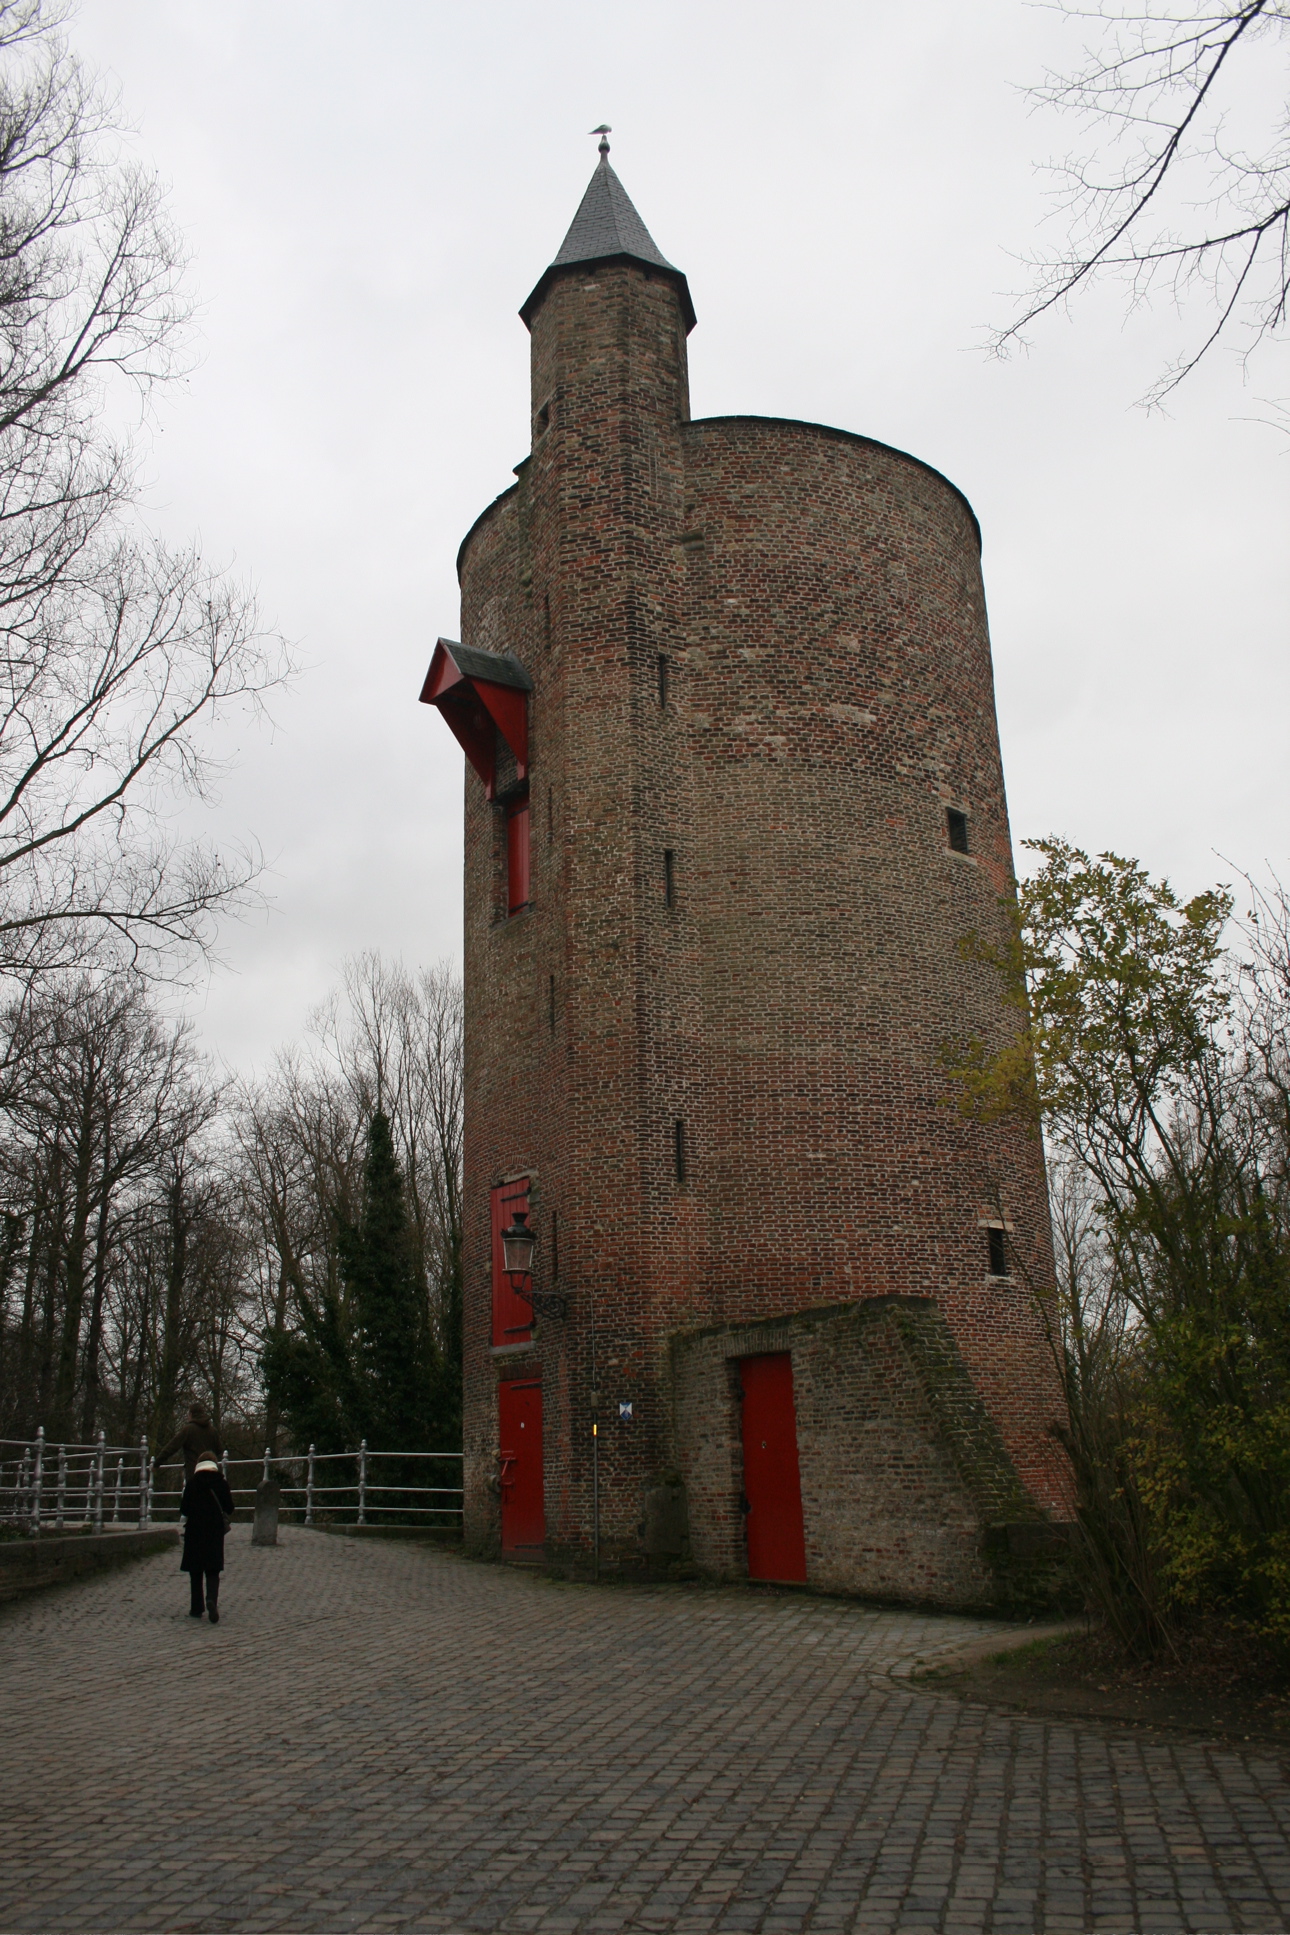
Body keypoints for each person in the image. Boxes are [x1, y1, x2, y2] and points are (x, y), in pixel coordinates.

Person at [180, 1454, 235, 1624]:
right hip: (214, 1532)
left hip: (194, 1531)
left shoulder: (192, 1483)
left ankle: (196, 1608)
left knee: (195, 1571)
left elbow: (184, 1509)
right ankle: (211, 1599)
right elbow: (230, 1508)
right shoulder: (221, 1483)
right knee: (212, 1570)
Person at [156, 1400, 222, 1481]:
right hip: (211, 1472)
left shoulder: (188, 1430)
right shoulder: (213, 1431)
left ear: (191, 1414)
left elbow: (172, 1447)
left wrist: (157, 1462)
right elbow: (219, 1450)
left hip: (194, 1473)